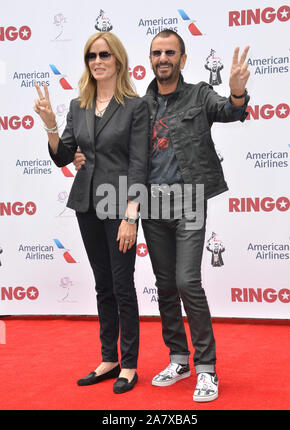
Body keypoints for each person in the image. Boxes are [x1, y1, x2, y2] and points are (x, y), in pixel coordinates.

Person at [73, 30, 250, 402]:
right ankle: (179, 357)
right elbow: (120, 150)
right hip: (151, 205)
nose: (163, 58)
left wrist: (236, 92)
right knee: (165, 285)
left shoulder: (200, 94)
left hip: (188, 201)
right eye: (157, 53)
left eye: (171, 52)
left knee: (187, 282)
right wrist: (82, 155)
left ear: (182, 59)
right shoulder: (139, 103)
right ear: (149, 59)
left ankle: (206, 368)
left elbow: (231, 111)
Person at [34, 31, 149, 394]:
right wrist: (50, 123)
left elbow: (140, 164)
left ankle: (129, 364)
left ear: (118, 60)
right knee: (103, 285)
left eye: (104, 55)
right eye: (91, 56)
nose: (97, 61)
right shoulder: (77, 105)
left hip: (120, 206)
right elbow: (64, 155)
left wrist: (131, 215)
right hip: (86, 202)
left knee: (122, 284)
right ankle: (108, 358)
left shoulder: (135, 105)